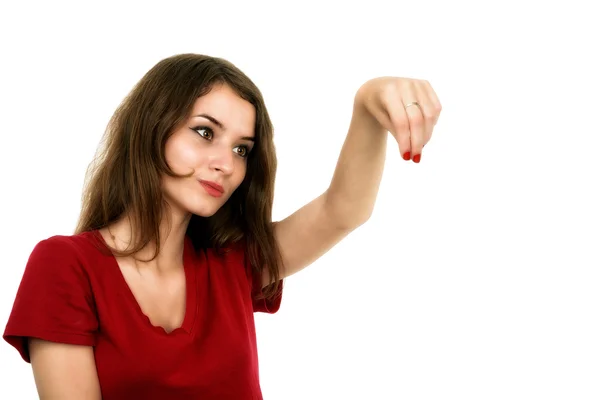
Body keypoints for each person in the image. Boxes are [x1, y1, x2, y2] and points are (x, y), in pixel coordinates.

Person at [3, 53, 442, 399]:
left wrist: (367, 104)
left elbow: (342, 211)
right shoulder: (65, 265)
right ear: (151, 127)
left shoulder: (234, 263)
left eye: (242, 150)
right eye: (205, 132)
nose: (225, 165)